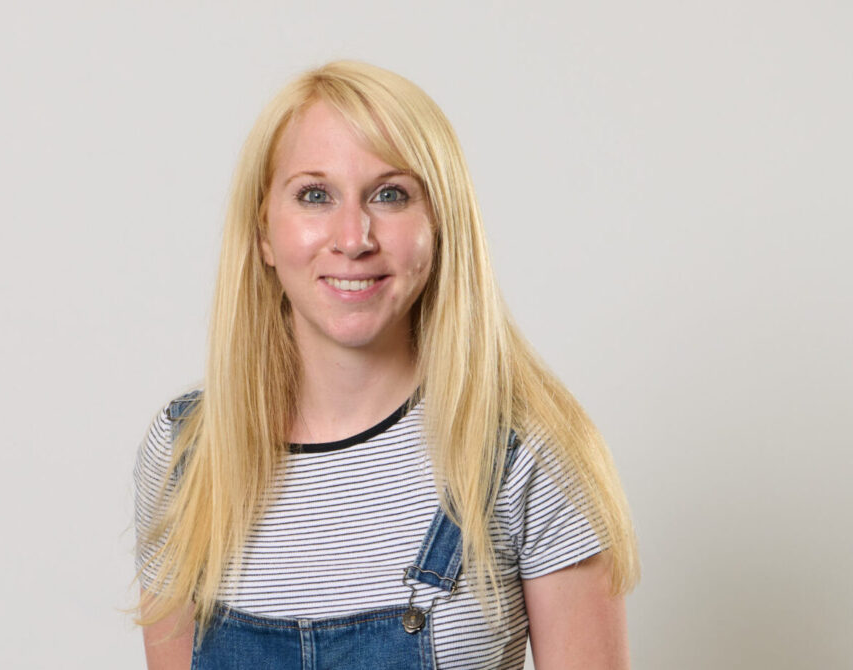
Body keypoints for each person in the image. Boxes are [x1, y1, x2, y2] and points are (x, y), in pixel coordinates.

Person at [133, 61, 639, 669]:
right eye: (314, 195)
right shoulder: (187, 453)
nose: (353, 237)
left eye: (390, 194)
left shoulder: (525, 453)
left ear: (440, 226)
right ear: (263, 232)